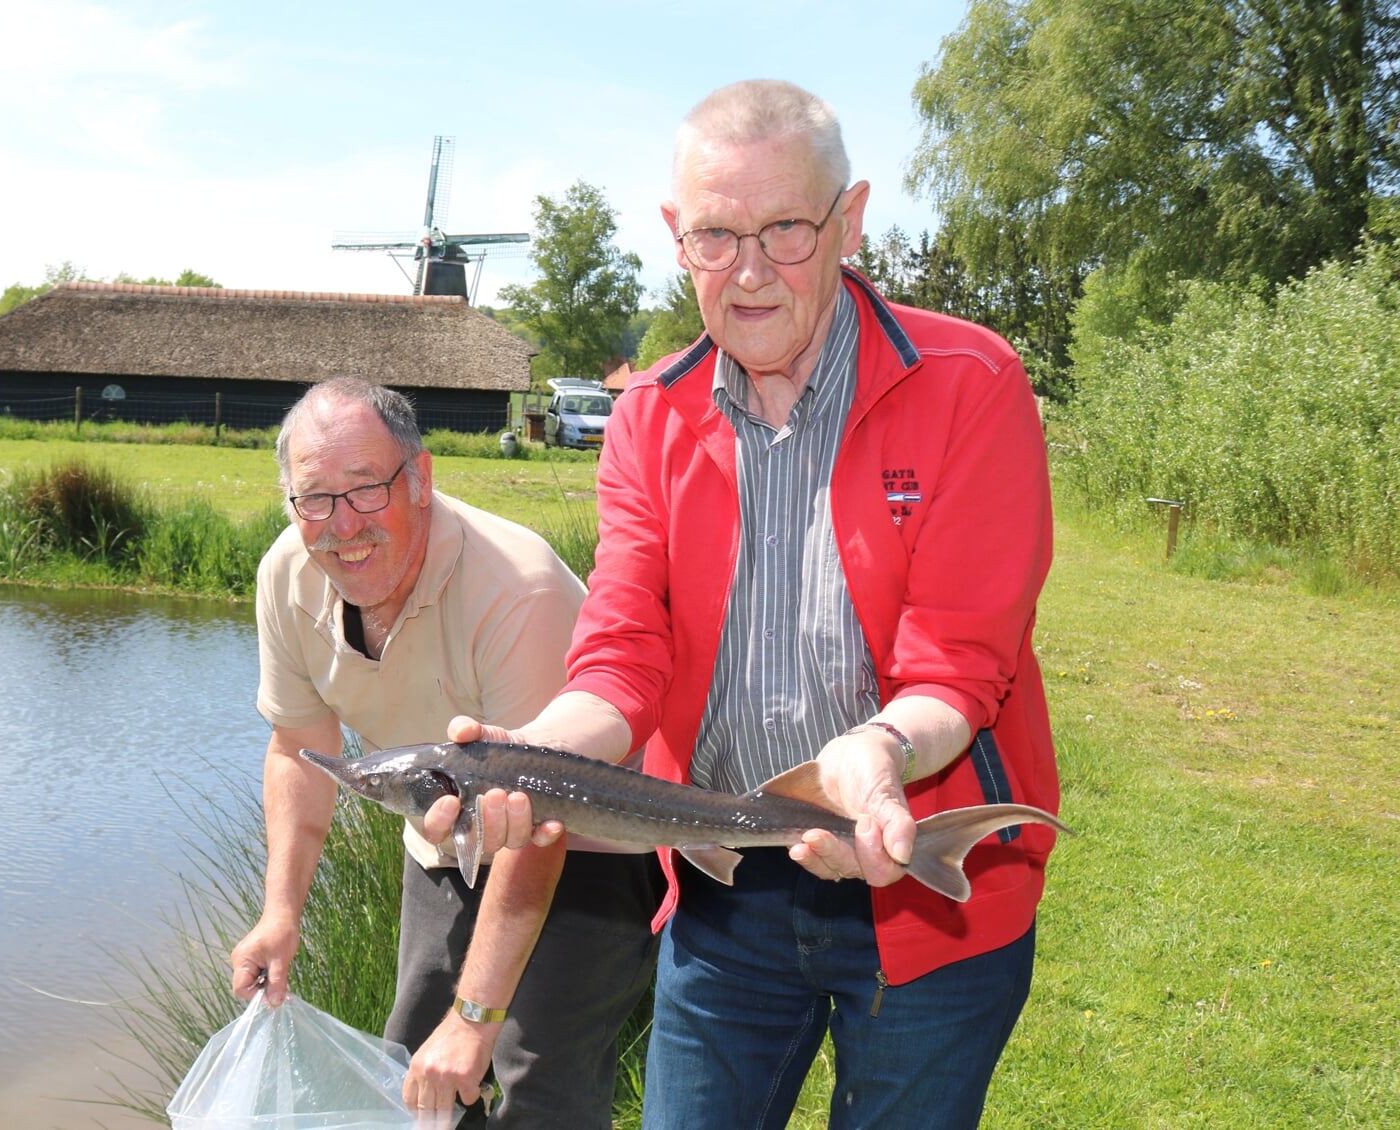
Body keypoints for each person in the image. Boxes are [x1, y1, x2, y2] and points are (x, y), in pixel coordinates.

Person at [434, 79, 1064, 1128]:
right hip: (725, 887)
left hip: (921, 881)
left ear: (851, 219)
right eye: (719, 235)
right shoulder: (649, 416)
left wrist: (875, 761)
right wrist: (527, 755)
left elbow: (959, 662)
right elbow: (623, 654)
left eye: (787, 229)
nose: (753, 271)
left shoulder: (969, 382)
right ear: (678, 237)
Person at [227, 377, 658, 1127]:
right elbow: (300, 747)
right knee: (412, 1074)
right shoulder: (286, 575)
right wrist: (281, 912)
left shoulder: (516, 589)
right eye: (314, 498)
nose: (341, 525)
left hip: (592, 844)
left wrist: (476, 1016)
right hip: (446, 836)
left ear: (421, 479)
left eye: (366, 490)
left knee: (534, 1080)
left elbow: (542, 821)